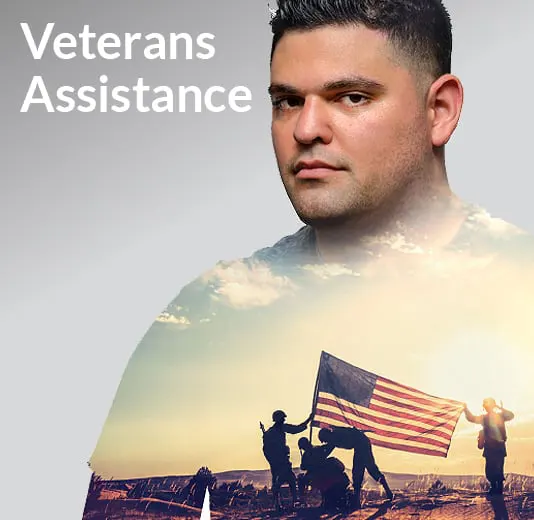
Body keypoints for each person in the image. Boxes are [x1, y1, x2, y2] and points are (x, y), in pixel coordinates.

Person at [318, 426, 393, 509]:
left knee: (366, 470)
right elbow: (326, 451)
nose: (326, 442)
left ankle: (358, 502)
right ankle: (359, 501)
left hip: (362, 443)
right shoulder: (333, 438)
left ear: (327, 435)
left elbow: (354, 433)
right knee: (364, 471)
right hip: (360, 444)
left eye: (325, 440)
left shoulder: (336, 434)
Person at [261, 410, 313, 510]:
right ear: (278, 419)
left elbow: (296, 429)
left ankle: (281, 503)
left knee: (284, 480)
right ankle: (287, 502)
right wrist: (309, 420)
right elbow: (296, 429)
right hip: (280, 461)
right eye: (282, 418)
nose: (284, 420)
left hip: (278, 461)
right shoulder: (274, 431)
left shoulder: (272, 431)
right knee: (287, 480)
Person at [463, 399, 515, 496]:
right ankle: (494, 487)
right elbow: (471, 418)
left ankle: (497, 488)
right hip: (493, 448)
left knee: (497, 468)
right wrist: (466, 410)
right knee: (491, 469)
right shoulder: (489, 417)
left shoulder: (499, 416)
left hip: (497, 447)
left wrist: (500, 408)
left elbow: (511, 415)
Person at [298, 437, 350, 510]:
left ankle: (323, 501)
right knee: (301, 479)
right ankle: (303, 500)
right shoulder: (310, 452)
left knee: (322, 484)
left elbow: (306, 466)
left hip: (319, 474)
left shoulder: (315, 450)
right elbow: (304, 467)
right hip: (317, 474)